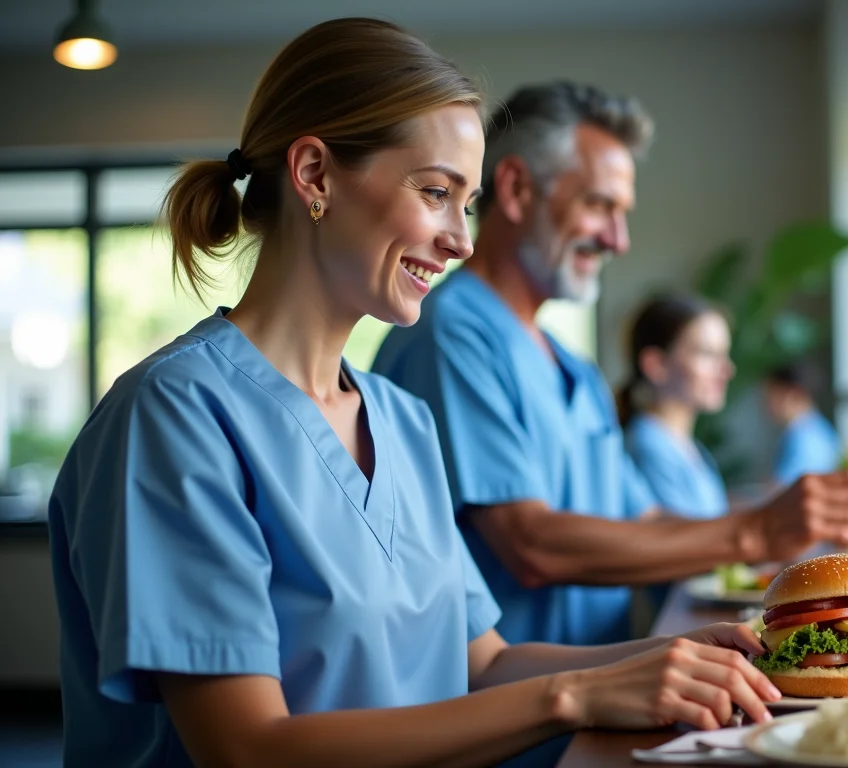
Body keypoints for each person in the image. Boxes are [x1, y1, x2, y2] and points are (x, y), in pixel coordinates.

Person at [46, 20, 785, 768]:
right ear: (315, 175)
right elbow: (248, 749)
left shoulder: (402, 422)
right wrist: (576, 696)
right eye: (436, 192)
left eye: (465, 204)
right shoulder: (175, 416)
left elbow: (484, 664)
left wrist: (680, 650)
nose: (461, 240)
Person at [372, 80, 848, 651]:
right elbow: (531, 545)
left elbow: (645, 521)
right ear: (514, 189)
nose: (618, 239)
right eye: (599, 205)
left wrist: (782, 515)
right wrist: (755, 531)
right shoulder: (451, 334)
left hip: (606, 692)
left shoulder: (574, 368)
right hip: (516, 720)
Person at [618, 294, 733, 521]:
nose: (727, 370)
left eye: (725, 354)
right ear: (656, 364)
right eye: (707, 354)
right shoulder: (649, 447)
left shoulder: (688, 447)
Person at [764, 362, 844, 487]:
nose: (766, 404)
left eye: (771, 395)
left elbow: (782, 492)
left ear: (792, 394)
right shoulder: (822, 429)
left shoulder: (802, 439)